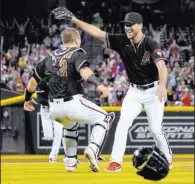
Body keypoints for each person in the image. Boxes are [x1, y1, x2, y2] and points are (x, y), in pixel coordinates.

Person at [57, 8, 173, 171]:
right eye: (126, 25)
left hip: (153, 90)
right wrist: (75, 21)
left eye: (130, 25)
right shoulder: (122, 40)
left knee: (155, 129)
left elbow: (161, 65)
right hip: (134, 91)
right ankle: (116, 161)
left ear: (140, 25)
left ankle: (167, 157)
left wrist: (162, 85)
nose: (127, 28)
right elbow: (97, 32)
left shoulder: (150, 44)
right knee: (123, 123)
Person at [24, 28, 115, 172]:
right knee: (105, 118)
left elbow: (32, 82)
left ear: (63, 41)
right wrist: (99, 84)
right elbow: (84, 71)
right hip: (72, 102)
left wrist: (27, 99)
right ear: (77, 40)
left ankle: (70, 162)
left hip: (54, 108)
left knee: (70, 128)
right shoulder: (77, 53)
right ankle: (93, 149)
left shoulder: (48, 57)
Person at [35, 80, 63, 163]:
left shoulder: (59, 80)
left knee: (59, 132)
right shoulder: (41, 81)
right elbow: (40, 99)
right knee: (48, 136)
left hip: (57, 109)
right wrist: (51, 101)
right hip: (46, 110)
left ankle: (53, 155)